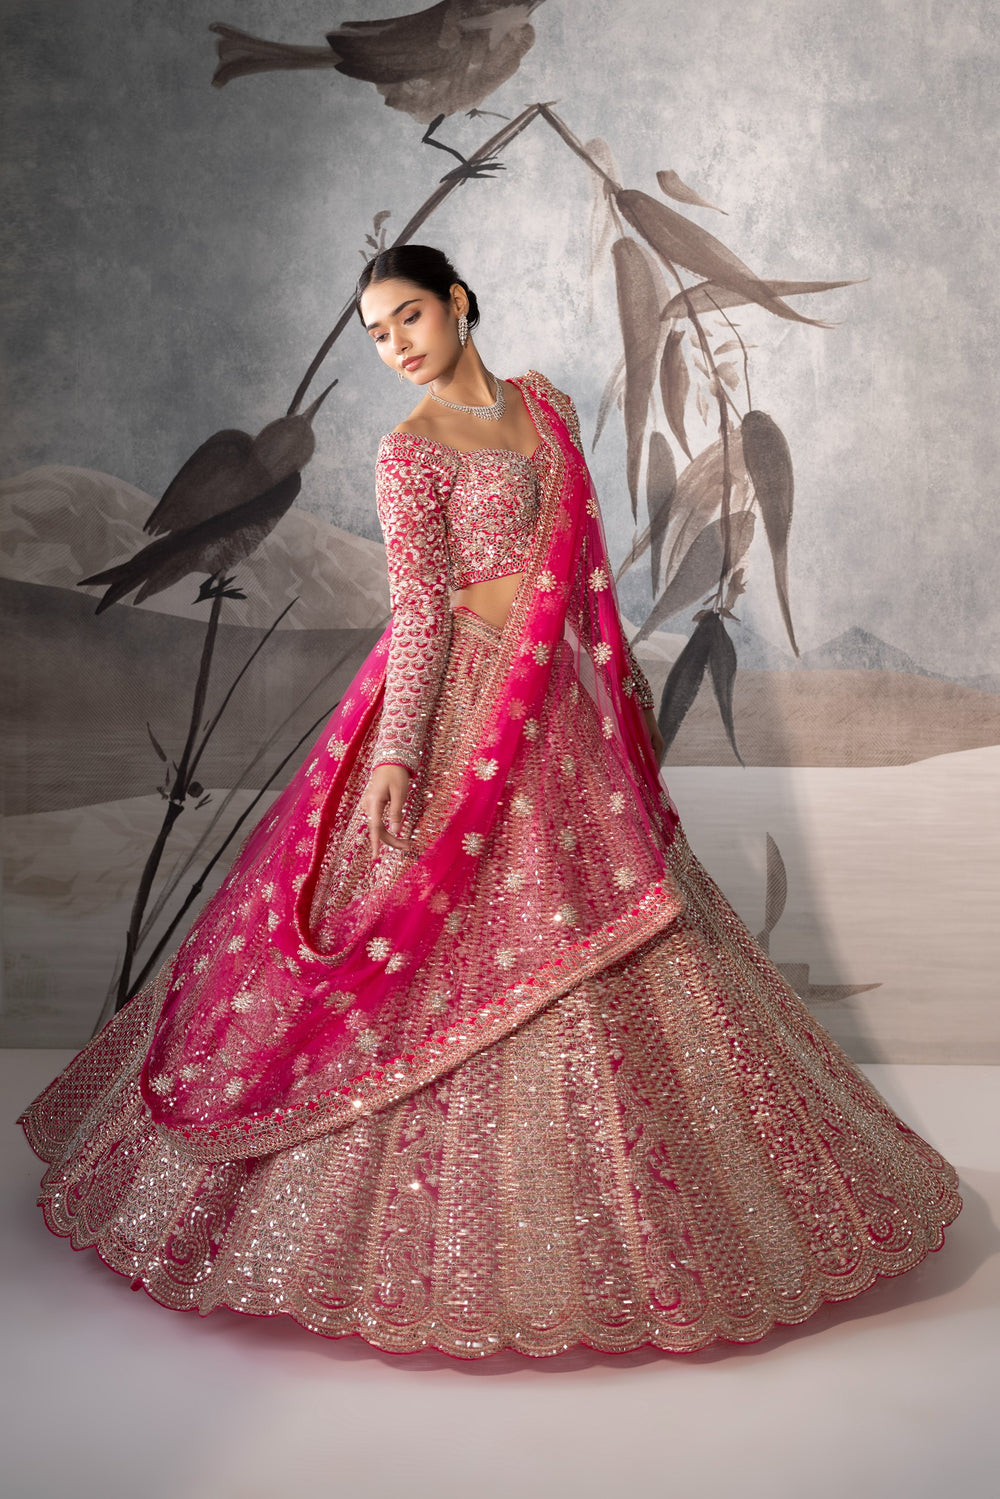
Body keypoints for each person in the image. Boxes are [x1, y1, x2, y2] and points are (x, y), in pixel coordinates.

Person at [17, 245, 961, 1359]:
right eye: (377, 334)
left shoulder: (543, 407)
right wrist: (395, 758)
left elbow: (583, 572)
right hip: (461, 705)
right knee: (430, 938)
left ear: (458, 302)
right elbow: (421, 614)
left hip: (553, 702)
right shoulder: (408, 450)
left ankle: (657, 1214)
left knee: (612, 912)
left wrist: (615, 691)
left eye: (408, 318)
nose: (397, 347)